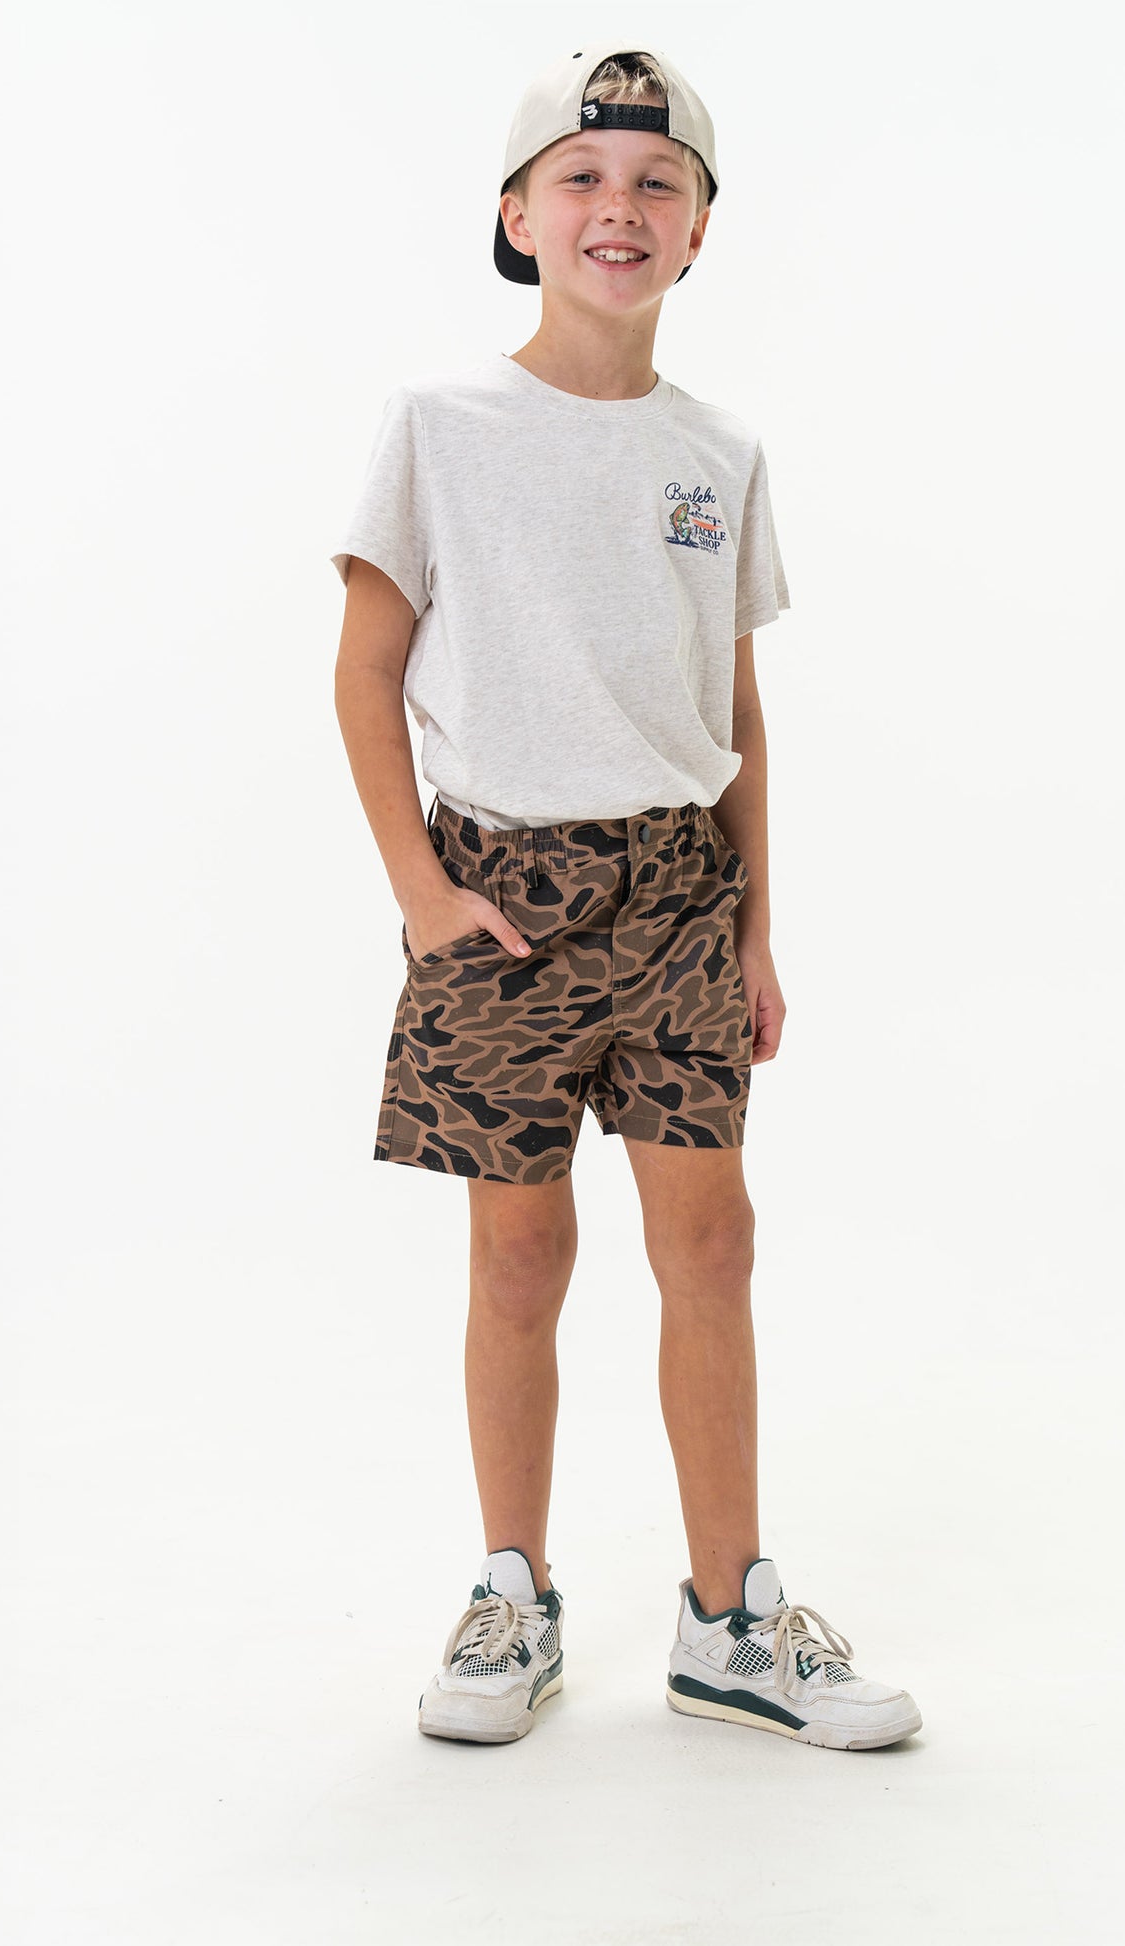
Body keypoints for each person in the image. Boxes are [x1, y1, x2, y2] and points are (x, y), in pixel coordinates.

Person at [330, 44, 923, 1752]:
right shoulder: (439, 428)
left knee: (711, 1240)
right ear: (517, 216)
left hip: (676, 895)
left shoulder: (714, 453)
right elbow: (365, 671)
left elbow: (731, 703)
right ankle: (510, 1594)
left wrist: (751, 924)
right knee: (519, 1250)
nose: (620, 207)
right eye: (581, 178)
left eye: (658, 183)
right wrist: (422, 892)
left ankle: (730, 1617)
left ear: (699, 232)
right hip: (499, 896)